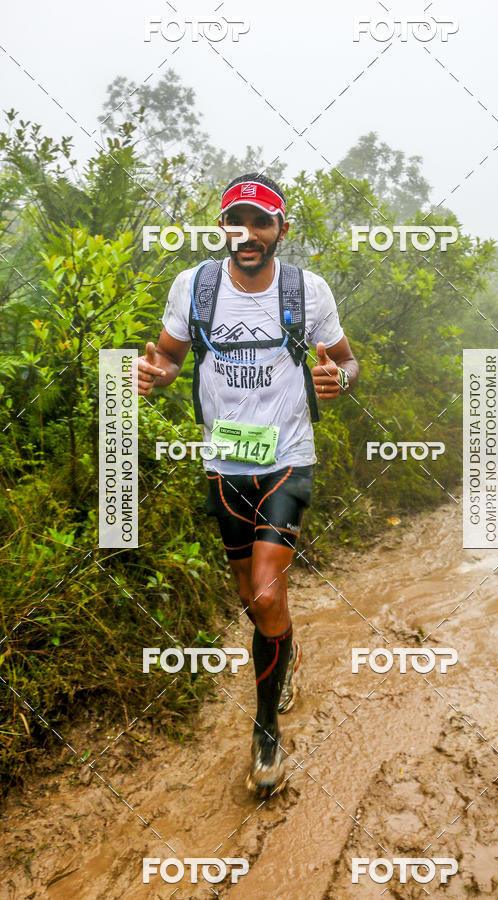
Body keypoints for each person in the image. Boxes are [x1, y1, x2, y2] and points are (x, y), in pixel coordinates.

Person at [137, 173, 359, 795]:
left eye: (262, 222)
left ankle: (266, 733)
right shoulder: (195, 286)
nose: (249, 234)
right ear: (223, 229)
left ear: (281, 230)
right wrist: (155, 372)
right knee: (252, 596)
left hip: (288, 457)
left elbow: (346, 360)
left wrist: (340, 379)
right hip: (225, 460)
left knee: (263, 591)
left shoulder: (307, 291)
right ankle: (285, 651)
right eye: (238, 222)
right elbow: (170, 356)